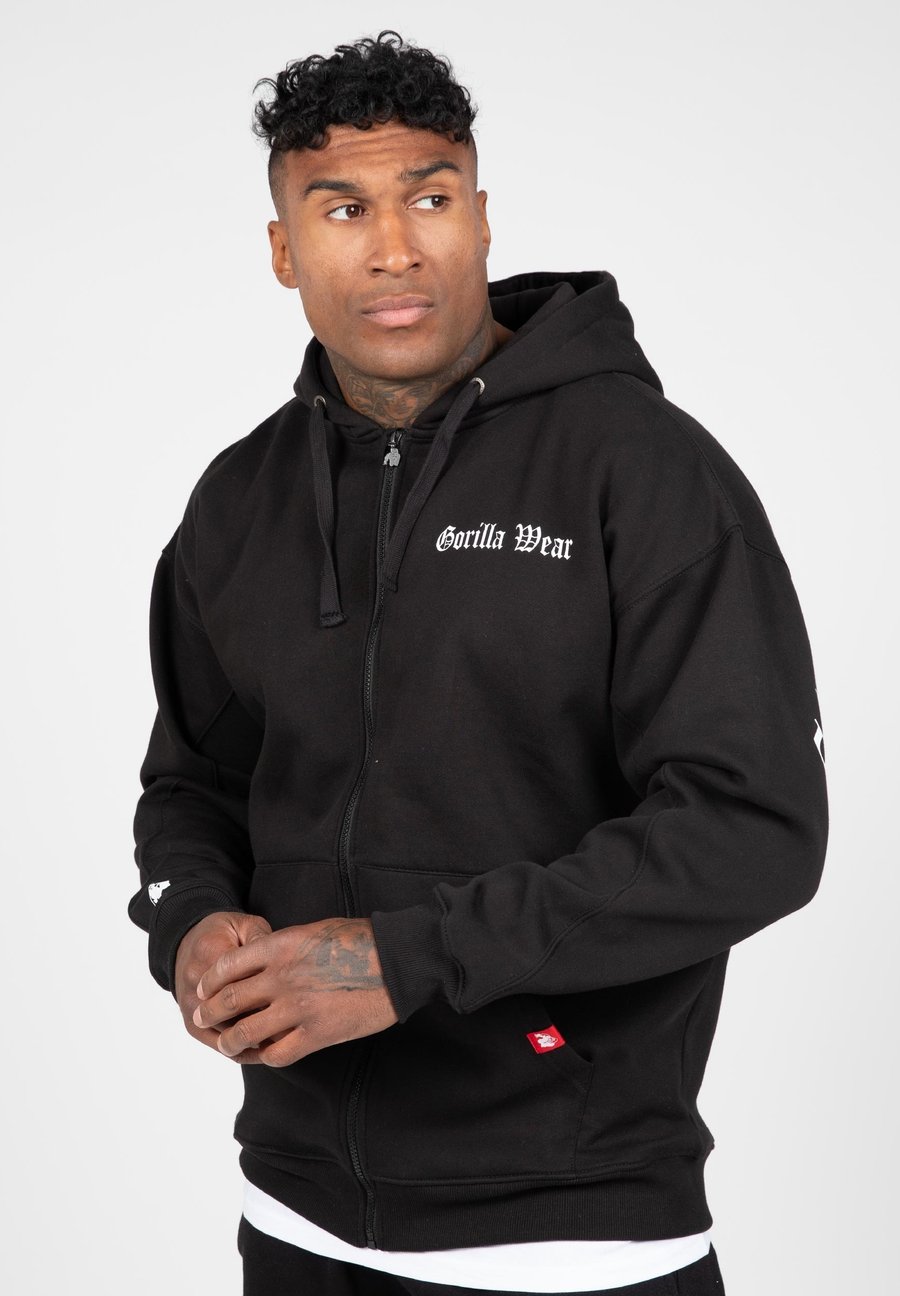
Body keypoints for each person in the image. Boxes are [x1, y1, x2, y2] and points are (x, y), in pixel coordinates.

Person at [128, 30, 828, 1296]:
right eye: (344, 209)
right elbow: (192, 785)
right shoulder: (238, 501)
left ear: (484, 221)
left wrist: (410, 957)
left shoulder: (644, 472)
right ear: (285, 249)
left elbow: (754, 828)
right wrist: (190, 922)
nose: (395, 248)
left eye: (431, 198)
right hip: (294, 1220)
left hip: (573, 1236)